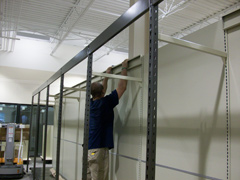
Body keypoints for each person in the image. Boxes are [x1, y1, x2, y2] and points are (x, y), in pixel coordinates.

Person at [87, 59, 128, 180]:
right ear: (103, 93)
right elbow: (122, 88)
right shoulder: (104, 104)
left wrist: (106, 76)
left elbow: (101, 91)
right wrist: (124, 68)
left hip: (89, 149)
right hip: (99, 149)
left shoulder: (90, 104)